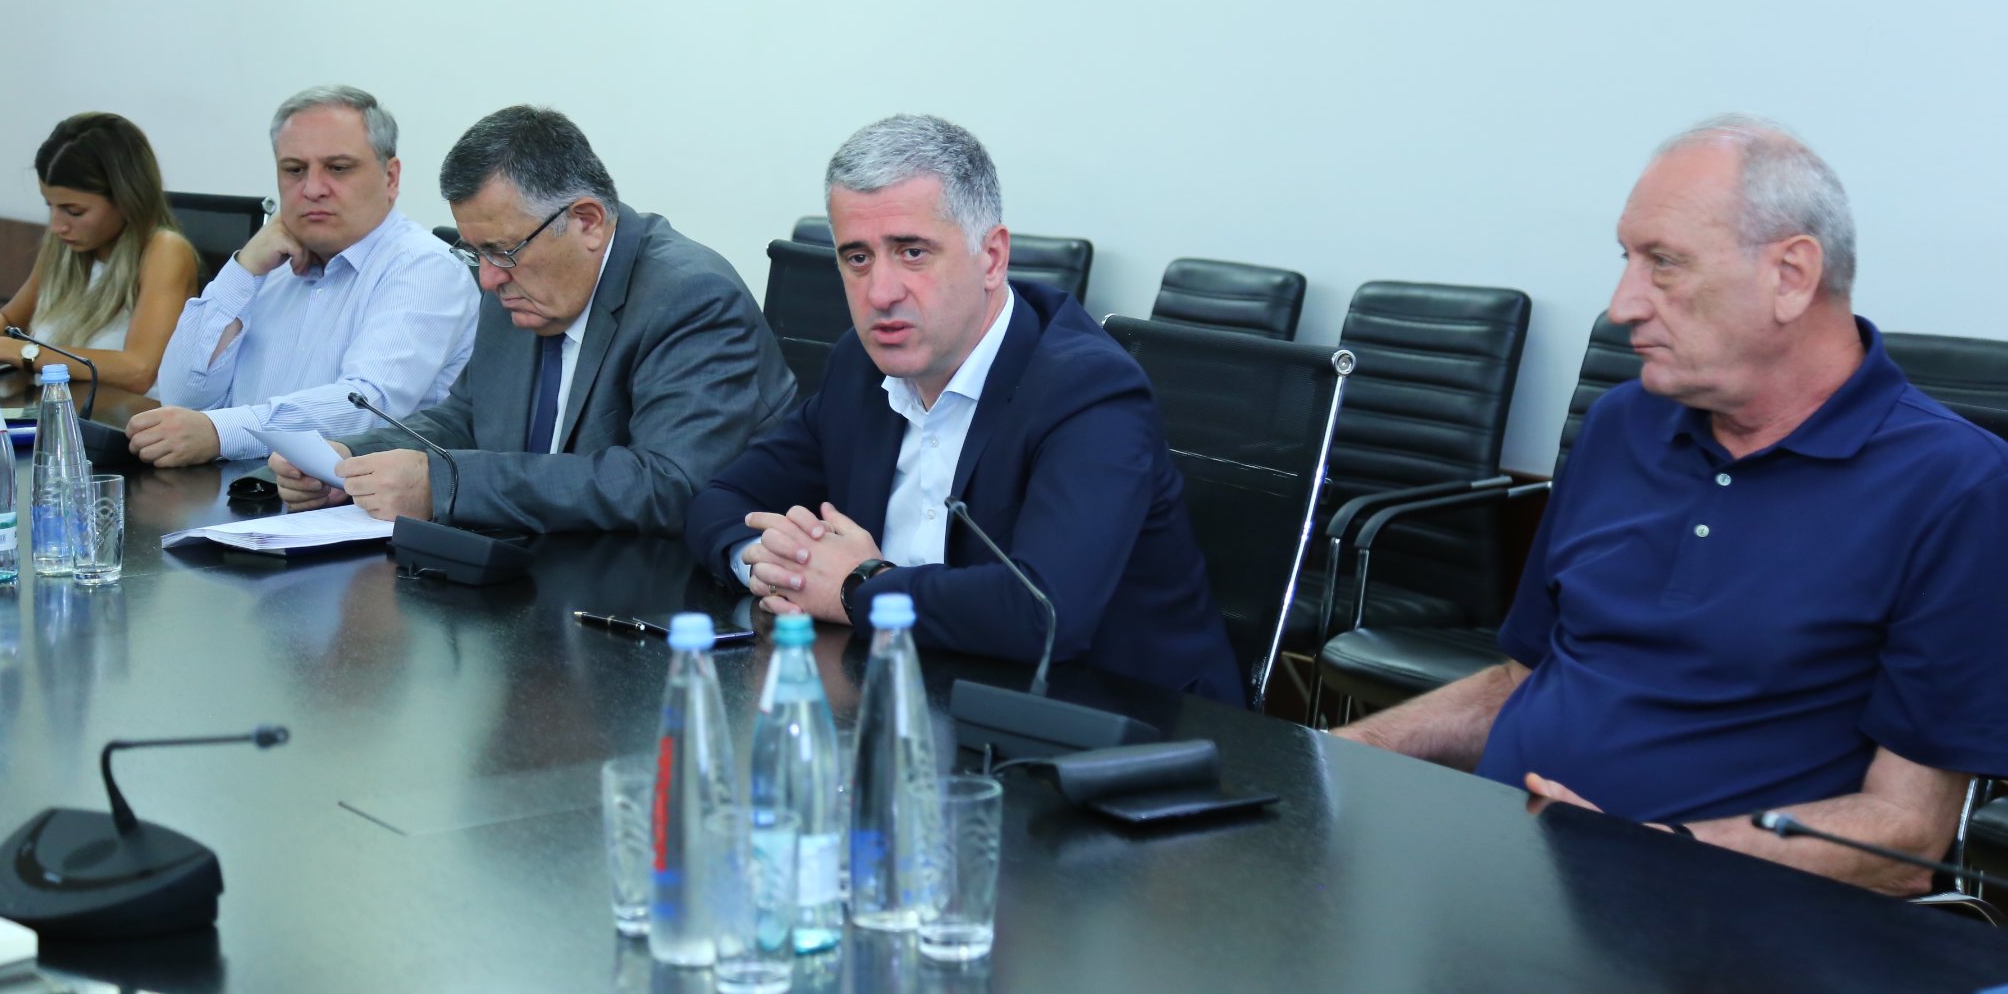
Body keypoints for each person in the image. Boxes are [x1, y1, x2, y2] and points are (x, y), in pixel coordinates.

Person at [1338, 115, 2008, 894]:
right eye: (1626, 259)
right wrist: (1342, 754)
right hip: (1500, 872)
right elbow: (1526, 681)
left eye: (1664, 263)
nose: (1623, 303)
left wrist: (1656, 851)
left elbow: (1907, 832)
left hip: (1721, 915)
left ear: (1791, 274)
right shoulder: (1622, 423)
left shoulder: (1956, 484)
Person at [685, 115, 1243, 703]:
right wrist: (774, 566)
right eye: (857, 258)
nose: (881, 293)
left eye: (913, 252)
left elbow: (1043, 613)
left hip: (1120, 723)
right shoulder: (861, 366)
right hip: (916, 694)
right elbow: (721, 499)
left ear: (992, 258)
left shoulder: (1089, 391)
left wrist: (857, 586)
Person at [270, 105, 797, 536]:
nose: (488, 279)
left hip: (660, 595)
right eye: (476, 252)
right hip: (532, 571)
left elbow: (666, 484)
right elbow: (466, 419)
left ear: (587, 221)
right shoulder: (515, 280)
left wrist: (446, 485)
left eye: (501, 251)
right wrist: (349, 464)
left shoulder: (689, 297)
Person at [127, 86, 477, 467]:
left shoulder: (426, 268)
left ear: (391, 177)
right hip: (234, 489)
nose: (312, 189)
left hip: (348, 499)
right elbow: (180, 399)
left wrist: (220, 432)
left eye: (338, 168)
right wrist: (243, 269)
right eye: (294, 170)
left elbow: (366, 406)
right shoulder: (270, 266)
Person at [0, 114, 198, 393]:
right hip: (54, 407)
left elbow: (138, 370)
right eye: (50, 206)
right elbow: (9, 321)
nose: (57, 226)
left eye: (74, 211)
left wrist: (5, 349)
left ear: (126, 199)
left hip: (124, 417)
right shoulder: (65, 246)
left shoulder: (164, 251)